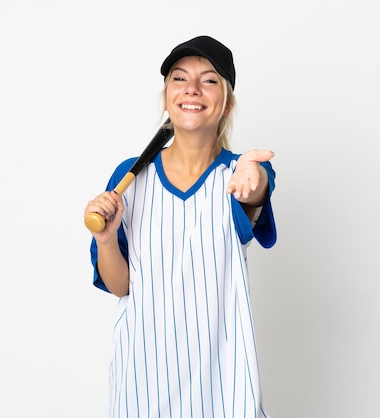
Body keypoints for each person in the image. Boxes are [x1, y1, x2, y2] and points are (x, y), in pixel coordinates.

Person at [84, 35, 277, 418]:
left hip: (222, 383)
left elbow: (255, 191)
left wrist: (253, 184)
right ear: (167, 95)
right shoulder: (129, 177)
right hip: (143, 378)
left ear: (226, 102)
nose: (192, 89)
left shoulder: (241, 171)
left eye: (208, 80)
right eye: (179, 78)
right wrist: (106, 240)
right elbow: (121, 286)